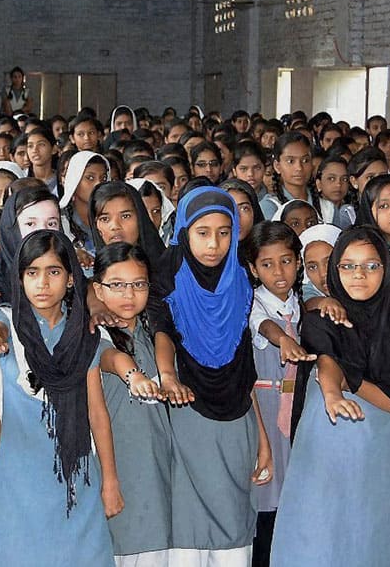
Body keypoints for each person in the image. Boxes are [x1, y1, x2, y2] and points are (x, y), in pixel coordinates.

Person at [272, 226, 390, 567]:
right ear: (334, 271)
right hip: (335, 442)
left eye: (372, 266)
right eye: (347, 266)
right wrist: (332, 393)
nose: (359, 275)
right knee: (323, 538)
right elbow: (329, 361)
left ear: (387, 269)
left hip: (384, 448)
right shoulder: (322, 316)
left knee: (373, 538)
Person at [0, 230, 122, 566]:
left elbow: (97, 414)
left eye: (53, 272)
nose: (42, 283)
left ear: (71, 280)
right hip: (16, 484)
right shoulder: (7, 323)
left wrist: (110, 480)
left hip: (77, 481)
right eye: (32, 273)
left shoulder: (84, 332)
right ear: (20, 278)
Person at [150, 186, 272, 566]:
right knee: (187, 525)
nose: (214, 243)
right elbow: (163, 331)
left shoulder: (240, 282)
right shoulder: (167, 278)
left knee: (235, 521)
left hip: (237, 421)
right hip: (186, 413)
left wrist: (262, 437)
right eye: (202, 232)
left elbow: (244, 368)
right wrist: (168, 376)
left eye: (224, 231)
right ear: (184, 231)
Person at [88, 242, 174, 565]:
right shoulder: (96, 335)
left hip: (158, 471)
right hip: (121, 474)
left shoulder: (153, 333)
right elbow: (111, 360)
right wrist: (134, 375)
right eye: (117, 285)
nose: (128, 294)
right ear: (98, 289)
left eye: (138, 284)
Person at [243, 221, 314, 566]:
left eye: (286, 261)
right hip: (269, 412)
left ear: (298, 262)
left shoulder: (305, 303)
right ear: (253, 269)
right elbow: (264, 326)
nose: (279, 271)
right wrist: (284, 339)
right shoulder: (253, 304)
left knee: (296, 501)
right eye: (267, 264)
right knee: (267, 502)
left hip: (300, 413)